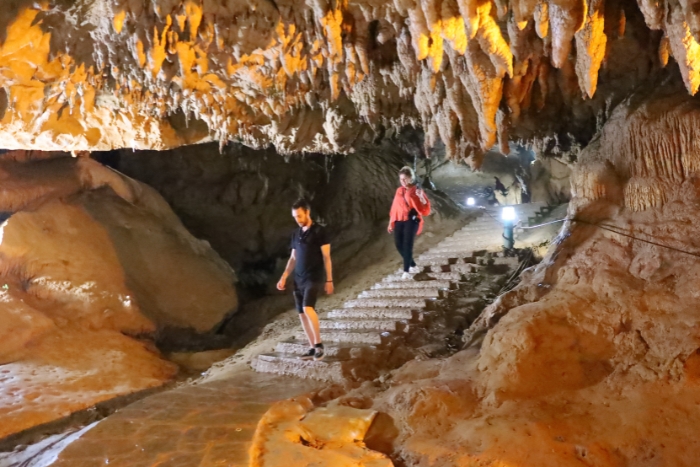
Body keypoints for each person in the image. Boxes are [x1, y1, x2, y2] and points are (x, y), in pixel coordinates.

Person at [277, 199, 333, 361]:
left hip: (313, 276)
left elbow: (327, 257)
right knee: (301, 313)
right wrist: (284, 276)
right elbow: (293, 258)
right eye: (295, 217)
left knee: (308, 307)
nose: (298, 219)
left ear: (308, 212)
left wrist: (329, 280)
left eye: (300, 216)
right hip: (298, 278)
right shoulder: (296, 234)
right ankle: (311, 347)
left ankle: (319, 345)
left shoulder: (319, 232)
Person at [388, 166, 431, 279]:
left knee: (407, 244)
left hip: (411, 221)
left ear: (411, 178)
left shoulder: (416, 190)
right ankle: (412, 264)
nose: (403, 181)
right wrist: (391, 222)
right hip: (399, 220)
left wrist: (421, 197)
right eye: (401, 179)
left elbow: (425, 208)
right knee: (398, 244)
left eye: (405, 179)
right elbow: (395, 207)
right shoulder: (399, 191)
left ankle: (406, 270)